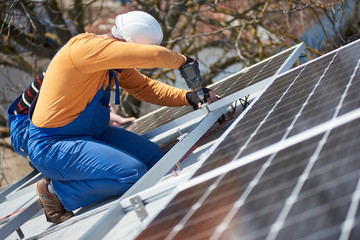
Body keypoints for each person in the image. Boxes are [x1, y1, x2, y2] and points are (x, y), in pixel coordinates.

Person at [9, 11, 218, 224]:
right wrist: (183, 61)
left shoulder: (114, 66)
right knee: (132, 174)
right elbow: (153, 56)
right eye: (135, 50)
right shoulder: (84, 49)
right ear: (126, 44)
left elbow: (145, 87)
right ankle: (56, 191)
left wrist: (189, 97)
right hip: (52, 144)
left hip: (90, 135)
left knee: (155, 160)